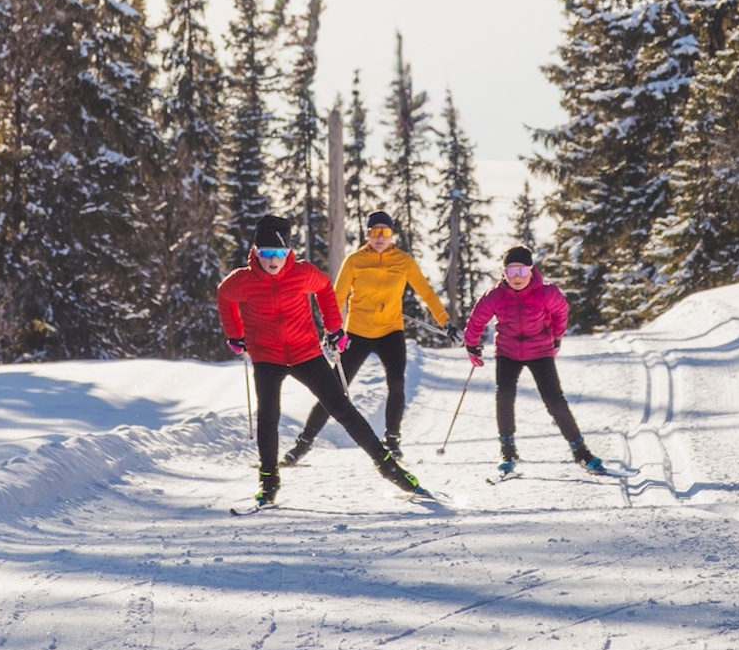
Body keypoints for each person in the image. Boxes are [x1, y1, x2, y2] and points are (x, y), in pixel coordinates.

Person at [217, 214, 424, 505]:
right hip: (267, 356)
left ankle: (389, 467)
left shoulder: (301, 273)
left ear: (288, 252)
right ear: (255, 252)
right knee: (268, 418)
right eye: (266, 253)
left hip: (305, 353)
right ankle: (268, 481)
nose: (273, 260)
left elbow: (326, 289)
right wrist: (235, 334)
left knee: (342, 408)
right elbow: (223, 296)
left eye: (279, 253)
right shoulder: (243, 280)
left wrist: (334, 327)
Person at [282, 210, 462, 465]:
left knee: (397, 383)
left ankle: (392, 440)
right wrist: (331, 332)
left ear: (392, 235)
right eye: (375, 232)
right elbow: (336, 298)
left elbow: (427, 293)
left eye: (385, 232)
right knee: (334, 388)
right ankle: (303, 444)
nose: (380, 237)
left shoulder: (404, 261)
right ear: (367, 234)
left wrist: (446, 323)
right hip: (358, 332)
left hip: (391, 331)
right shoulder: (355, 261)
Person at [463, 244, 607, 476]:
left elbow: (561, 312)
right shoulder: (495, 295)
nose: (517, 277)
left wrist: (556, 337)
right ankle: (507, 450)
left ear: (532, 270)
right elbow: (477, 319)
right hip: (507, 351)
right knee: (505, 396)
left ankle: (580, 451)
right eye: (511, 272)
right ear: (504, 273)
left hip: (540, 350)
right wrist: (472, 345)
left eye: (521, 271)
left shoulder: (546, 292)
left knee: (555, 401)